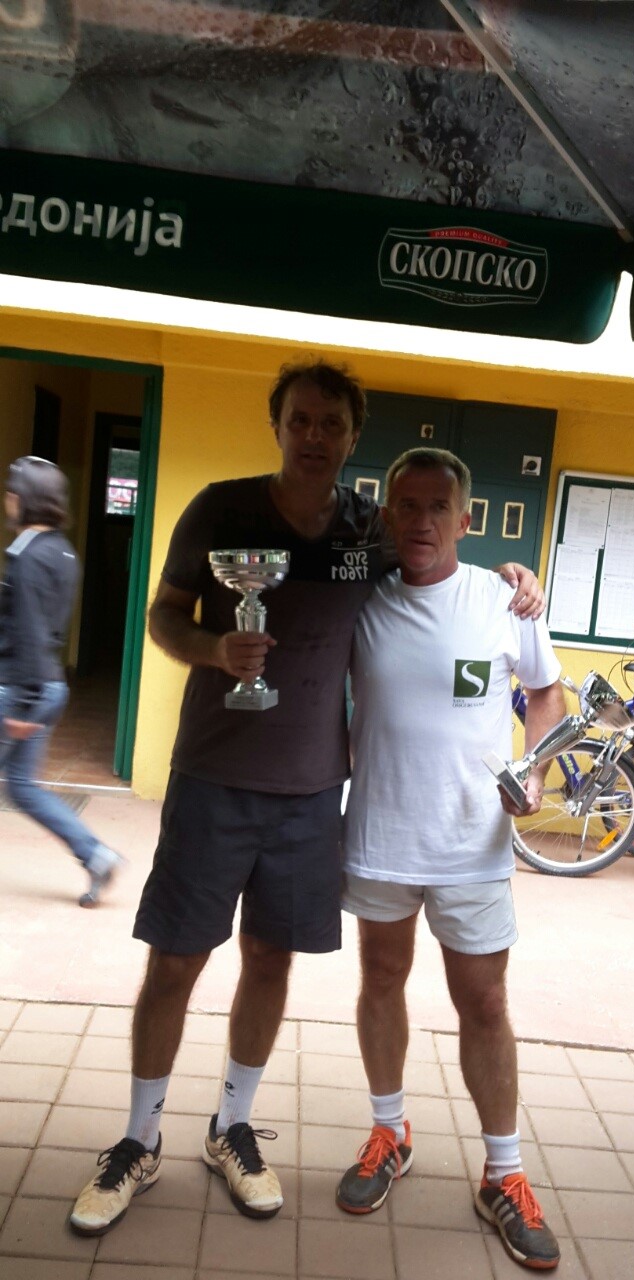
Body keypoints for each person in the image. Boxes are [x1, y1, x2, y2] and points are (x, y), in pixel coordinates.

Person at [69, 360, 545, 1237]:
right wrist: (214, 651)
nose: (315, 435)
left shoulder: (366, 533)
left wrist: (514, 578)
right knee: (174, 962)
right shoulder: (221, 510)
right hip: (213, 777)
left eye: (332, 423)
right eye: (301, 420)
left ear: (352, 436)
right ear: (278, 424)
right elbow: (164, 613)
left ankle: (232, 1128)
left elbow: (437, 561)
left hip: (312, 794)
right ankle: (138, 1139)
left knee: (269, 962)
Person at [336, 446, 565, 1271]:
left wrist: (535, 771)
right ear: (387, 513)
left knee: (486, 1003)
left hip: (473, 843)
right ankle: (388, 1131)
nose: (422, 520)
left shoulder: (505, 600)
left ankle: (504, 1173)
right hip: (381, 835)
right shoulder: (361, 593)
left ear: (466, 520)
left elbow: (546, 693)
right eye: (408, 504)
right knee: (381, 979)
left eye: (439, 507)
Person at [0, 456, 125, 907]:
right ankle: (97, 856)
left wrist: (24, 708)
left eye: (12, 491)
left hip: (19, 689)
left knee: (21, 784)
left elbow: (30, 632)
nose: (7, 499)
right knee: (22, 786)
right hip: (48, 684)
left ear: (26, 499)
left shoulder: (27, 555)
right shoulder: (63, 552)